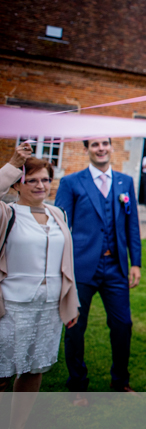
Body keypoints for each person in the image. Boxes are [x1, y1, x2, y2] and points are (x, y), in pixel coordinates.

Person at [55, 138, 142, 402]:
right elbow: (60, 228)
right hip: (81, 267)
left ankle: (120, 380)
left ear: (112, 147)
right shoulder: (71, 182)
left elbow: (132, 225)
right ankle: (77, 384)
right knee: (75, 326)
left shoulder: (125, 182)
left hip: (116, 267)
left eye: (105, 143)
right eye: (95, 144)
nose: (101, 148)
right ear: (87, 149)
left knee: (123, 325)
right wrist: (61, 267)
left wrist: (135, 262)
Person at [0, 144, 79, 429]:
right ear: (17, 185)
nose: (40, 185)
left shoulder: (59, 214)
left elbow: (66, 262)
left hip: (49, 307)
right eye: (31, 179)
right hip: (12, 306)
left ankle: (17, 425)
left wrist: (71, 302)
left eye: (45, 179)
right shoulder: (7, 213)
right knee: (2, 372)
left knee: (34, 369)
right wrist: (12, 165)